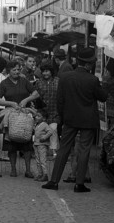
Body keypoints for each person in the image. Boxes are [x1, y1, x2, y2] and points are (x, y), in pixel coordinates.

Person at [42, 47, 108, 193]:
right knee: (84, 150)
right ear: (89, 64)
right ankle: (79, 184)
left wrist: (63, 116)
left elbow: (59, 100)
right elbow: (103, 97)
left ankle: (53, 181)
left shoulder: (65, 77)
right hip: (88, 120)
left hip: (70, 119)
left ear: (77, 61)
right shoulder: (93, 80)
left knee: (63, 149)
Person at [0, 59, 40, 178]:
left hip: (25, 115)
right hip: (11, 116)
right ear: (8, 71)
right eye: (13, 70)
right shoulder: (4, 83)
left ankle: (28, 170)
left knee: (27, 143)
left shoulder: (24, 81)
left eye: (18, 70)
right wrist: (10, 103)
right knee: (11, 143)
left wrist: (26, 100)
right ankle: (13, 169)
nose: (16, 72)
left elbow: (36, 93)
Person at [34, 61, 60, 158]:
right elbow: (35, 96)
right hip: (42, 112)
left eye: (47, 71)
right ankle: (43, 151)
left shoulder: (58, 81)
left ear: (51, 72)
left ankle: (53, 151)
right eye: (43, 71)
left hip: (55, 111)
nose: (45, 73)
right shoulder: (38, 83)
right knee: (42, 131)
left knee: (53, 130)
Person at [33, 110, 54, 182]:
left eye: (38, 116)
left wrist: (44, 137)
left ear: (44, 118)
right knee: (38, 160)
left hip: (42, 145)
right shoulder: (37, 125)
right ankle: (40, 173)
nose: (36, 117)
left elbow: (50, 131)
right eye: (36, 116)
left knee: (42, 160)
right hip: (36, 144)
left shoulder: (44, 124)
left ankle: (45, 174)